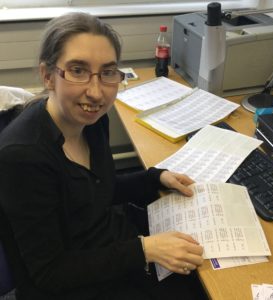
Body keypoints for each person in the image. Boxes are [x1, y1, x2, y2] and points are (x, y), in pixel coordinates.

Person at [0, 12, 206, 300]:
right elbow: (49, 273)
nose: (96, 93)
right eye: (77, 70)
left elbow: (95, 189)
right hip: (70, 284)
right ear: (48, 76)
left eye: (108, 72)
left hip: (109, 250)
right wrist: (145, 249)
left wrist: (155, 177)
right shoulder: (23, 157)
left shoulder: (92, 122)